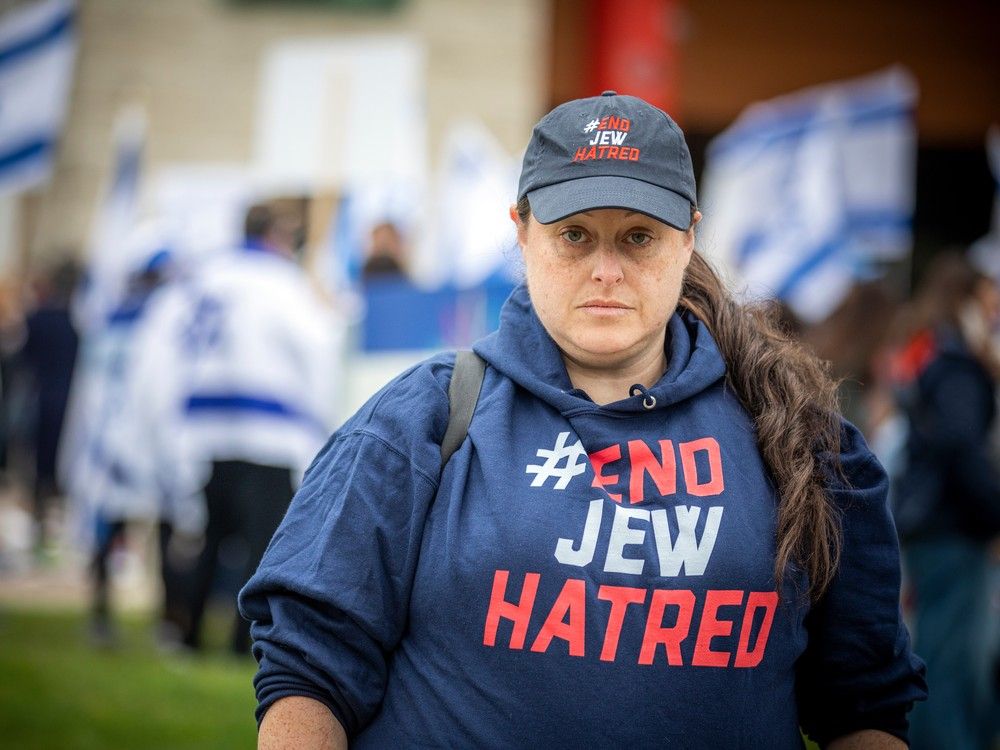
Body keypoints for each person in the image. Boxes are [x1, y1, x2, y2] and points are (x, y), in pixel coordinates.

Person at [240, 92, 926, 747]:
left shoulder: (799, 439)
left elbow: (864, 699)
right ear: (523, 232)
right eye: (574, 235)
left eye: (637, 237)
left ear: (688, 237)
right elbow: (309, 668)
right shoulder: (420, 420)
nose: (606, 270)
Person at [178, 201, 343, 654]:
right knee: (260, 544)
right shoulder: (280, 281)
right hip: (268, 432)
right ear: (274, 235)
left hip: (209, 428)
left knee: (211, 538)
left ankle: (187, 635)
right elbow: (318, 348)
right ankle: (239, 640)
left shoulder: (207, 278)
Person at [886, 250, 1000, 750]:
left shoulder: (928, 352)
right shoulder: (956, 364)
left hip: (932, 526)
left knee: (943, 652)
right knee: (955, 663)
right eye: (989, 301)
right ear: (968, 300)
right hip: (954, 530)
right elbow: (962, 448)